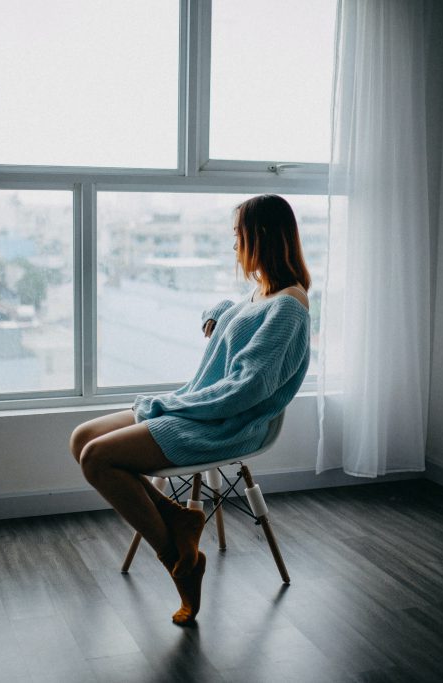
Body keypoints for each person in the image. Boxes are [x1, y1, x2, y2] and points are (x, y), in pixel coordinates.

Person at [69, 194, 312, 626]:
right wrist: (214, 314)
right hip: (203, 408)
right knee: (82, 437)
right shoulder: (262, 292)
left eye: (238, 236)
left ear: (260, 237)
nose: (234, 245)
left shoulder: (289, 307)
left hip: (227, 424)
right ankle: (180, 524)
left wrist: (169, 405)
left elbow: (246, 390)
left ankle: (178, 561)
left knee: (96, 457)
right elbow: (235, 312)